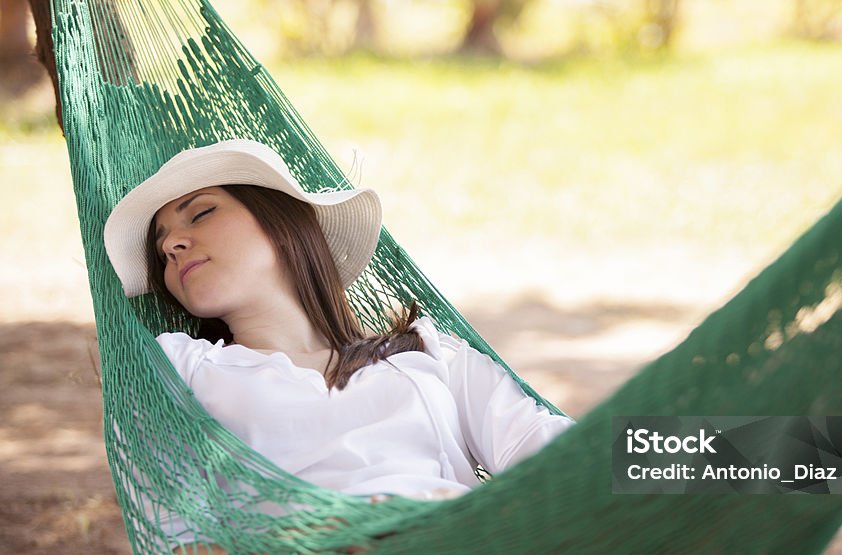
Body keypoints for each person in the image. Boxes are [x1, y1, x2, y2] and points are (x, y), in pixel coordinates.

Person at [103, 139, 574, 509]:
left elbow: (551, 452)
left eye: (201, 213)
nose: (173, 246)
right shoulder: (181, 370)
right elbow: (177, 548)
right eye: (161, 246)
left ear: (282, 222)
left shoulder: (430, 355)